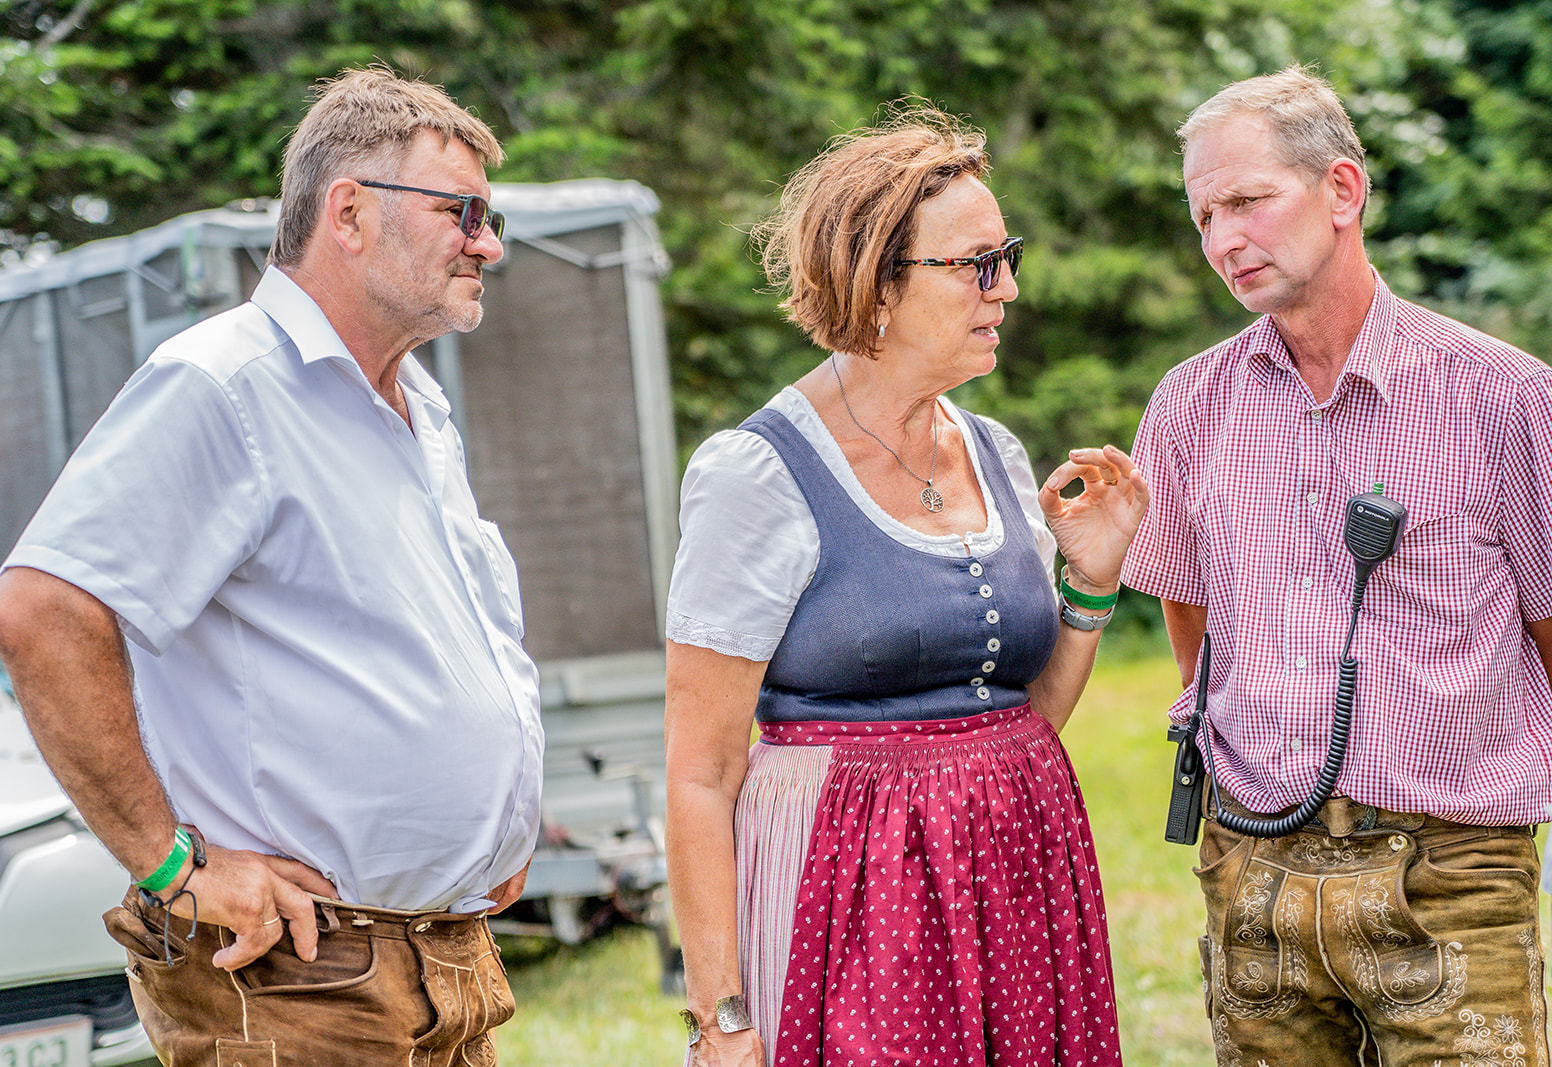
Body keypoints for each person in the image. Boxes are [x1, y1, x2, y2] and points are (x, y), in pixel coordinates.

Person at [0, 67, 542, 1066]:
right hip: (296, 975)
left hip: (435, 961)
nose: (487, 242)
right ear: (350, 211)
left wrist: (490, 824)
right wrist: (173, 866)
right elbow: (41, 610)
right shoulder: (226, 384)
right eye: (462, 211)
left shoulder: (417, 409)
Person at [664, 104, 1147, 1067]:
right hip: (852, 903)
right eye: (975, 264)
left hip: (1016, 885)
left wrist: (1088, 591)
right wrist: (720, 1015)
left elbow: (1020, 721)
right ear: (877, 284)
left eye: (1006, 256)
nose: (1005, 287)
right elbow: (699, 773)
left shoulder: (997, 453)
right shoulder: (758, 475)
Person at [1123, 65, 1552, 1066]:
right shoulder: (1186, 409)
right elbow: (1193, 627)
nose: (1224, 238)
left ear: (1342, 191)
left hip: (1454, 868)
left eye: (1248, 200)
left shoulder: (1506, 399)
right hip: (1253, 861)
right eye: (1204, 215)